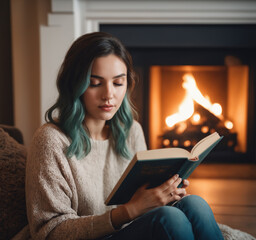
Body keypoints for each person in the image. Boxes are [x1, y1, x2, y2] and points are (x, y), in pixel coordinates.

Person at [25, 32, 224, 240]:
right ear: (75, 84)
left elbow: (143, 205)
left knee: (194, 204)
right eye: (95, 83)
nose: (109, 94)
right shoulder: (50, 141)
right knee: (169, 219)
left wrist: (165, 193)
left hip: (128, 231)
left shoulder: (131, 131)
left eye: (118, 83)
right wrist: (128, 211)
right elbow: (49, 232)